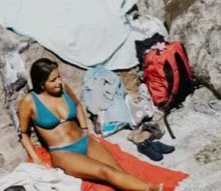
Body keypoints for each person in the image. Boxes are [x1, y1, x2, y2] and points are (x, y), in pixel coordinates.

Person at [19, 59, 163, 191]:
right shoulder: (29, 101)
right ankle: (150, 189)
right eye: (53, 80)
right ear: (42, 83)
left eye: (59, 77)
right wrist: (36, 159)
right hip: (63, 152)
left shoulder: (63, 89)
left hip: (84, 141)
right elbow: (24, 134)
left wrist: (84, 128)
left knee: (118, 170)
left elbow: (77, 104)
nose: (59, 82)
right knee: (105, 172)